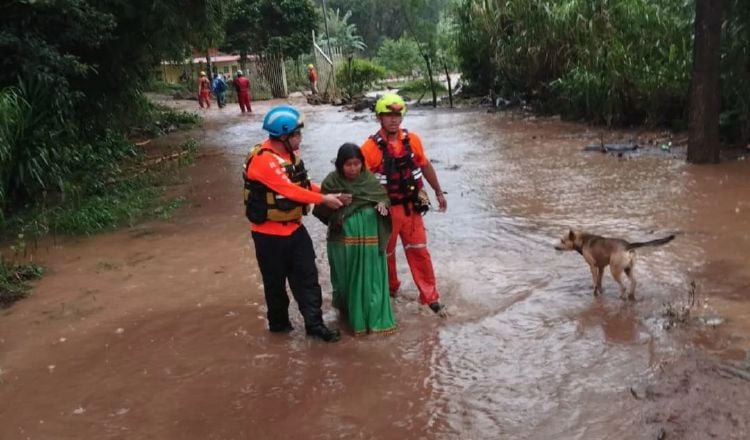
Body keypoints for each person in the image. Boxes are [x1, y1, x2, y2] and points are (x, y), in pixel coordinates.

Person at [244, 105, 350, 342]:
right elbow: (289, 191)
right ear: (284, 135)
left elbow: (303, 186)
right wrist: (323, 199)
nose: (300, 137)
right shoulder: (263, 161)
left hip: (294, 230)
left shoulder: (289, 157)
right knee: (275, 286)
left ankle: (315, 325)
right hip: (268, 236)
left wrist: (333, 193)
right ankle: (279, 329)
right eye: (297, 134)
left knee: (308, 279)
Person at [359, 94, 448, 317]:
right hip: (385, 212)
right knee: (385, 255)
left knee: (420, 252)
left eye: (397, 115)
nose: (394, 120)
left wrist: (438, 191)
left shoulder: (413, 140)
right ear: (379, 117)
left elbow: (425, 166)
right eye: (389, 115)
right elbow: (360, 182)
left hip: (411, 209)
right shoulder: (369, 148)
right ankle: (390, 292)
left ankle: (430, 297)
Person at [313, 144, 396, 336]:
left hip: (369, 240)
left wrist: (383, 207)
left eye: (357, 164)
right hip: (342, 241)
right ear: (340, 165)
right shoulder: (331, 182)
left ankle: (373, 320)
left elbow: (384, 200)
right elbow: (320, 210)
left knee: (370, 279)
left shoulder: (370, 181)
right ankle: (348, 316)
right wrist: (335, 202)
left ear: (362, 164)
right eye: (348, 164)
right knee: (344, 279)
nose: (353, 169)